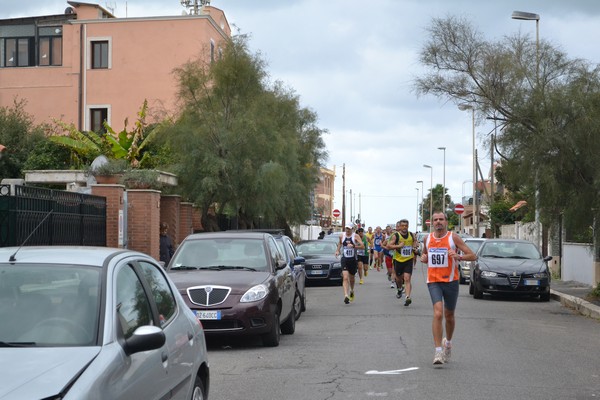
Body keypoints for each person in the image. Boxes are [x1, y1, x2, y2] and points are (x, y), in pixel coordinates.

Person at [420, 211, 476, 366]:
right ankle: (438, 351)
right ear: (432, 223)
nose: (438, 222)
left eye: (441, 219)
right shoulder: (427, 239)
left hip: (451, 281)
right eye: (435, 220)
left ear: (446, 222)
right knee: (438, 313)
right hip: (433, 281)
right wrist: (423, 258)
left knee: (449, 315)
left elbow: (473, 256)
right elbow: (425, 256)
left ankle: (448, 343)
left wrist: (459, 256)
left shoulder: (453, 238)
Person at [387, 219, 418, 306]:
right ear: (399, 227)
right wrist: (399, 246)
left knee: (407, 278)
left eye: (406, 226)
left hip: (408, 259)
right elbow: (388, 246)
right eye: (402, 226)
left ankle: (407, 297)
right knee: (398, 278)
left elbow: (415, 242)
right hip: (398, 260)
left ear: (408, 226)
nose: (404, 227)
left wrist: (414, 247)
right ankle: (400, 289)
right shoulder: (396, 236)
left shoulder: (411, 234)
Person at [335, 224, 364, 304]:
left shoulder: (356, 236)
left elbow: (362, 246)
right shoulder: (342, 236)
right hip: (344, 259)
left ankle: (351, 290)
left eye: (349, 229)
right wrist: (337, 250)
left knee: (351, 278)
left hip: (353, 259)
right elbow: (340, 243)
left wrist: (354, 246)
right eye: (347, 228)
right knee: (345, 277)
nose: (348, 230)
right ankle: (346, 295)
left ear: (352, 229)